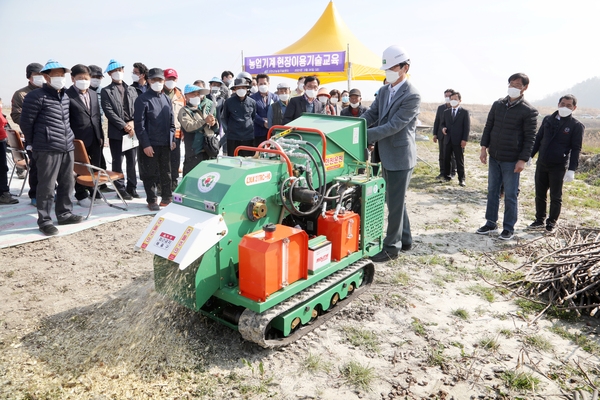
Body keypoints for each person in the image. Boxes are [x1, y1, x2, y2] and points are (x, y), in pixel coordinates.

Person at [360, 45, 420, 262]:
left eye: (393, 67)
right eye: (387, 68)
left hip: (400, 156)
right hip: (384, 154)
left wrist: (364, 136)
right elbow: (372, 113)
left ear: (405, 67)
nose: (389, 72)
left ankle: (391, 248)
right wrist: (353, 128)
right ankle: (405, 239)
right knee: (394, 200)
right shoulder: (385, 90)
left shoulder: (412, 95)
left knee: (394, 203)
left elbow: (394, 125)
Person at [20, 59, 84, 235]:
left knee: (67, 182)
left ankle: (64, 213)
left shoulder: (65, 96)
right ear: (46, 77)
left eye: (62, 74)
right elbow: (26, 123)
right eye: (56, 74)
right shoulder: (36, 96)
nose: (60, 78)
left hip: (66, 146)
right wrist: (33, 144)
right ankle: (45, 220)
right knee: (47, 186)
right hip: (46, 147)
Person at [477, 72, 538, 240]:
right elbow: (489, 126)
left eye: (517, 85)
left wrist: (523, 160)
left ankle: (509, 227)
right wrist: (484, 148)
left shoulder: (529, 111)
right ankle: (490, 223)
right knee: (492, 191)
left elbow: (530, 138)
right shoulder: (498, 104)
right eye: (511, 84)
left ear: (525, 88)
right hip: (495, 155)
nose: (513, 88)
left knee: (510, 194)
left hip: (512, 160)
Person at [528, 94, 584, 233]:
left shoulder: (576, 126)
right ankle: (539, 219)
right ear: (558, 104)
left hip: (558, 166)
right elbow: (538, 138)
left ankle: (551, 222)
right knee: (540, 194)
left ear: (574, 108)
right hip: (542, 163)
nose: (565, 107)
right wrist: (529, 155)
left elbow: (576, 148)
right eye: (563, 104)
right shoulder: (548, 120)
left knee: (555, 196)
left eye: (569, 105)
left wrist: (572, 169)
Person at [134, 67, 176, 211]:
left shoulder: (166, 99)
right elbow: (139, 126)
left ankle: (167, 198)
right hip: (150, 144)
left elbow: (172, 123)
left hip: (165, 143)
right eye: (154, 80)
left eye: (160, 80)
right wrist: (145, 144)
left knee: (166, 172)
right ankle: (151, 200)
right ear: (148, 81)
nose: (157, 82)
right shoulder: (142, 99)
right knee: (150, 173)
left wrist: (172, 140)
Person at [65, 64, 104, 207]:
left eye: (86, 78)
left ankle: (94, 189)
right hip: (77, 139)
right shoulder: (67, 95)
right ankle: (81, 194)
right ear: (72, 78)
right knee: (80, 167)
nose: (84, 80)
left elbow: (97, 117)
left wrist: (100, 135)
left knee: (95, 165)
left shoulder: (93, 94)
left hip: (94, 136)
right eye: (80, 78)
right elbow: (66, 119)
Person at [100, 59, 139, 200]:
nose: (118, 73)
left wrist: (133, 123)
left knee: (132, 161)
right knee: (117, 161)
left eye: (120, 70)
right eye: (115, 71)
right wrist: (124, 125)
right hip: (117, 131)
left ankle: (132, 187)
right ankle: (120, 189)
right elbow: (108, 111)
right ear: (110, 73)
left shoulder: (132, 89)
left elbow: (138, 108)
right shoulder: (106, 91)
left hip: (132, 131)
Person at [10, 62, 43, 202]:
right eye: (36, 75)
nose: (40, 78)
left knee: (50, 167)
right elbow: (16, 115)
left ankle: (48, 192)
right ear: (29, 77)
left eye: (42, 75)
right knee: (35, 165)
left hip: (50, 135)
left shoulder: (49, 91)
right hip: (33, 136)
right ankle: (35, 194)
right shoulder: (21, 94)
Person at [178, 84, 219, 175]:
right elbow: (188, 126)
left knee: (208, 177)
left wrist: (214, 123)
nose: (196, 96)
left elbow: (214, 127)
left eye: (198, 94)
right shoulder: (184, 111)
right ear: (186, 96)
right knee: (193, 177)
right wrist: (205, 121)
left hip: (209, 149)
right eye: (193, 94)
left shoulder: (204, 108)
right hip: (195, 150)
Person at [440, 91, 470, 186]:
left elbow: (466, 127)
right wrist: (443, 128)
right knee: (446, 158)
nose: (453, 101)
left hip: (459, 140)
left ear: (460, 100)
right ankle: (446, 176)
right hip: (448, 139)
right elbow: (442, 124)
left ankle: (462, 179)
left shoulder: (464, 112)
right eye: (451, 99)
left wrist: (464, 139)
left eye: (455, 99)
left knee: (459, 160)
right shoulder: (446, 112)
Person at [222, 78, 256, 157]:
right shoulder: (228, 102)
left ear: (247, 89)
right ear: (235, 89)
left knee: (248, 161)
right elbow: (225, 118)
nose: (241, 90)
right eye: (239, 88)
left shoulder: (252, 102)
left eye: (243, 88)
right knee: (233, 161)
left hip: (248, 137)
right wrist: (230, 130)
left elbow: (253, 117)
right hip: (233, 137)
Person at [163, 68, 185, 190]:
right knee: (163, 161)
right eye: (168, 78)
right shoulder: (159, 93)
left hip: (176, 133)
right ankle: (162, 183)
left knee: (175, 160)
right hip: (161, 134)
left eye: (173, 79)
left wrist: (183, 131)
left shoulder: (180, 95)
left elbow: (183, 114)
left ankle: (174, 181)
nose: (171, 81)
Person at [433, 89, 456, 180]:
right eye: (446, 96)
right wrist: (435, 134)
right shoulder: (441, 108)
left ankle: (452, 172)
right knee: (442, 154)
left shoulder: (455, 108)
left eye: (449, 96)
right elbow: (437, 121)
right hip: (441, 135)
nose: (447, 98)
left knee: (451, 155)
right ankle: (442, 172)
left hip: (451, 136)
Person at [250, 73, 278, 146]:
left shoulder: (275, 97)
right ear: (257, 85)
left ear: (268, 84)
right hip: (258, 132)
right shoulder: (252, 98)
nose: (263, 85)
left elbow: (278, 112)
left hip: (273, 132)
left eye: (264, 83)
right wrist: (263, 122)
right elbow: (252, 113)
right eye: (260, 84)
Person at [0, 98, 19, 205]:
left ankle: (3, 193)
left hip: (1, 138)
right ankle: (3, 193)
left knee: (2, 168)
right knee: (2, 168)